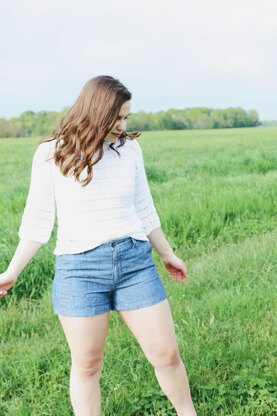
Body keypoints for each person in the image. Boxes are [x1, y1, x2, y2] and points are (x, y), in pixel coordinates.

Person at [0, 75, 197, 416]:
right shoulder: (51, 153)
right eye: (116, 118)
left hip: (134, 263)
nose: (122, 126)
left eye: (126, 118)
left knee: (166, 354)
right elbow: (37, 221)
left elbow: (144, 208)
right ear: (95, 112)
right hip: (79, 271)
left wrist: (167, 253)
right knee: (88, 366)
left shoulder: (130, 150)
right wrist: (12, 271)